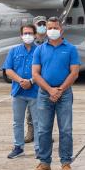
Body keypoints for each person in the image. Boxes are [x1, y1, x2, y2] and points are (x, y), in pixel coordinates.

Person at [32, 16, 81, 170]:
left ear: (61, 29)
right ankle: (44, 162)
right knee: (43, 129)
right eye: (49, 28)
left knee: (66, 129)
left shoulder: (71, 49)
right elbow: (35, 74)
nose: (52, 30)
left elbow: (74, 72)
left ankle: (66, 162)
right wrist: (50, 90)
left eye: (55, 28)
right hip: (44, 94)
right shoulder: (39, 49)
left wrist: (59, 90)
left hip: (64, 94)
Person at [3, 24, 40, 159]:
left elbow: (42, 71)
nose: (27, 35)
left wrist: (31, 81)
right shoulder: (14, 51)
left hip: (35, 92)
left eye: (30, 33)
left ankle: (39, 148)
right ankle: (18, 147)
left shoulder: (40, 51)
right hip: (18, 92)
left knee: (37, 122)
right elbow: (8, 70)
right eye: (25, 33)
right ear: (21, 35)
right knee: (17, 121)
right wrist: (21, 81)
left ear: (35, 35)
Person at [24, 16, 48, 144]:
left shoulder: (51, 42)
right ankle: (30, 131)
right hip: (33, 81)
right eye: (40, 24)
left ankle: (45, 133)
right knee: (31, 108)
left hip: (47, 81)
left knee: (46, 109)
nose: (42, 26)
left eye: (44, 24)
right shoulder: (29, 44)